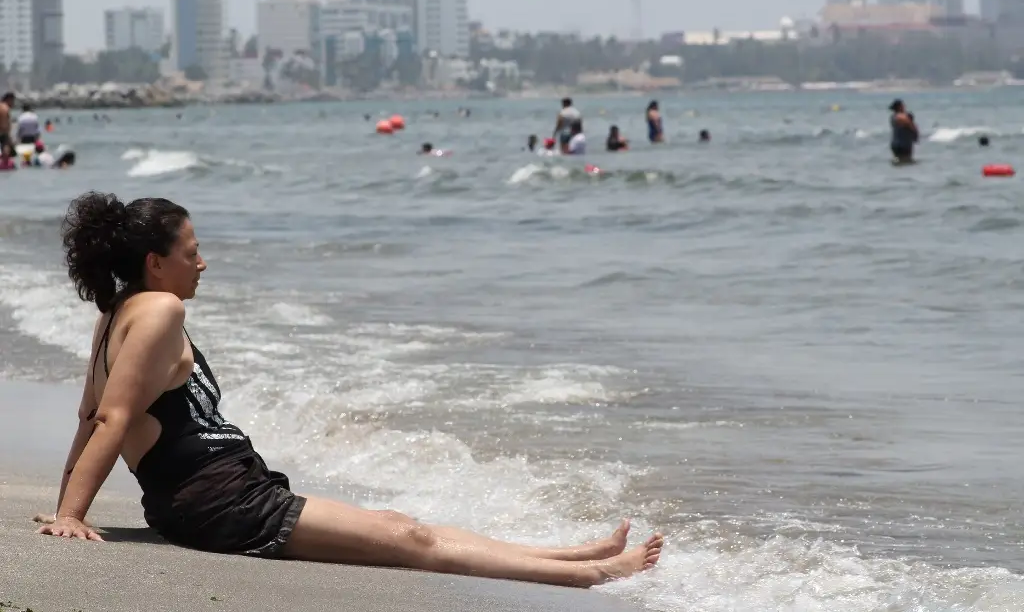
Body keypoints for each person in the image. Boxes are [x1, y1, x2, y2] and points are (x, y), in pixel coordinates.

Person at [38, 192, 663, 588]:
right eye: (193, 252)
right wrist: (71, 515)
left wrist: (69, 501)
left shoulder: (116, 312)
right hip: (218, 501)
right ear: (156, 261)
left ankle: (566, 554)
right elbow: (110, 419)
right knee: (411, 544)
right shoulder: (160, 312)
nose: (203, 264)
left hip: (221, 492)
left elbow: (89, 415)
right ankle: (593, 575)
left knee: (398, 523)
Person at [888, 99, 918, 165]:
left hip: (896, 143)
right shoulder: (902, 117)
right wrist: (916, 135)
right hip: (903, 144)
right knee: (906, 161)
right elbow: (912, 127)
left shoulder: (893, 117)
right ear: (900, 107)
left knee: (899, 161)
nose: (904, 107)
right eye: (903, 105)